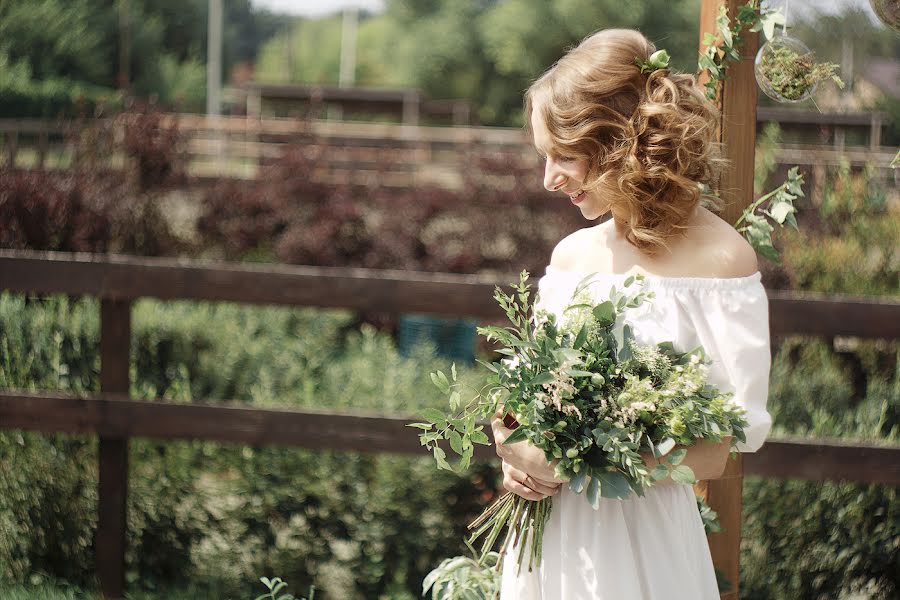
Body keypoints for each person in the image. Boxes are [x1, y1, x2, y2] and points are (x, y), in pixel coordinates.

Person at [489, 28, 772, 599]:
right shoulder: (571, 259)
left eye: (564, 156)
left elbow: (718, 451)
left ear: (621, 142)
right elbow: (521, 403)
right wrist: (512, 454)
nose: (548, 180)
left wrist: (582, 463)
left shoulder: (722, 265)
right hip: (550, 543)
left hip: (648, 548)